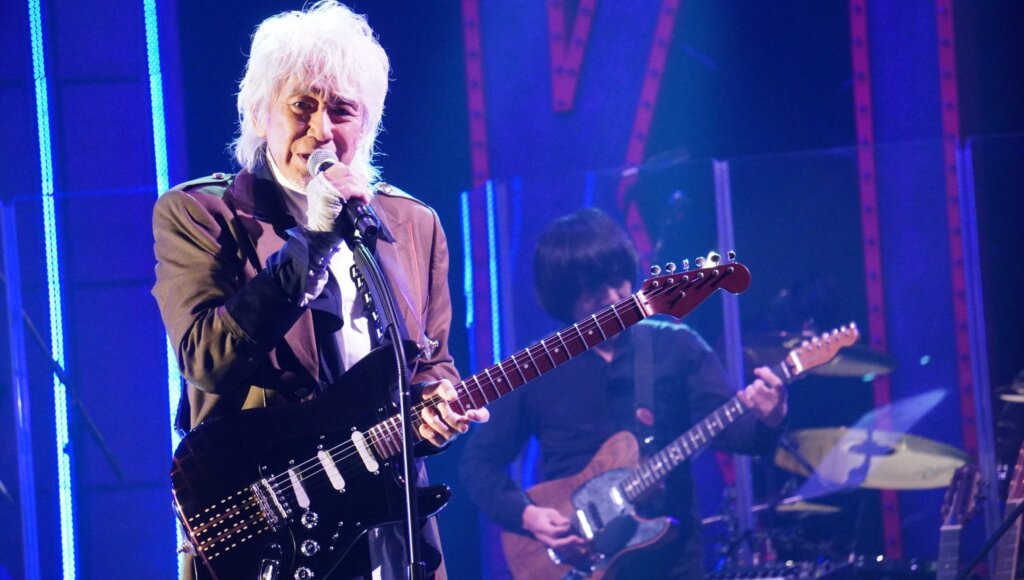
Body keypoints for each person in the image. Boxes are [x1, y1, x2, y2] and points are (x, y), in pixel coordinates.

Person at [151, 2, 487, 578]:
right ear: (260, 114)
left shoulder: (414, 224)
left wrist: (436, 409)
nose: (322, 131)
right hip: (265, 530)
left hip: (389, 529)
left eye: (342, 110)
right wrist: (312, 239)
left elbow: (430, 365)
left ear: (368, 123)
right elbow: (206, 359)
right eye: (301, 106)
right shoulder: (204, 214)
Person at [460, 208, 787, 579]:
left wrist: (770, 416)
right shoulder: (539, 365)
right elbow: (479, 463)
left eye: (619, 281)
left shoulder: (676, 346)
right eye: (595, 288)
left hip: (672, 563)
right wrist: (527, 514)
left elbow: (740, 436)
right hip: (573, 562)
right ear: (564, 294)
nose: (613, 297)